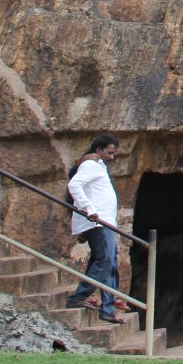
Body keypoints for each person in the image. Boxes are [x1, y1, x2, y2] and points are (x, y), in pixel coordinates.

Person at [66, 135, 128, 325]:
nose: (112, 157)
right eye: (109, 153)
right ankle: (78, 296)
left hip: (105, 223)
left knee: (109, 263)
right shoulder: (91, 164)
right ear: (99, 150)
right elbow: (74, 185)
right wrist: (90, 209)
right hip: (97, 222)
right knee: (105, 260)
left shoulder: (98, 166)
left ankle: (108, 308)